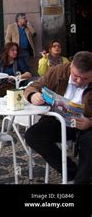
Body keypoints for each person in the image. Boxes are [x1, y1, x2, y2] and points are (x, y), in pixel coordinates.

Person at [25, 51, 92, 184]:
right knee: (33, 135)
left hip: (86, 124)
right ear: (71, 66)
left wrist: (90, 122)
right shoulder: (57, 71)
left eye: (85, 79)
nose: (79, 81)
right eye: (76, 76)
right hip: (58, 120)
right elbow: (33, 87)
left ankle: (81, 180)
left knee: (90, 142)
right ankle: (70, 171)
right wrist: (33, 95)